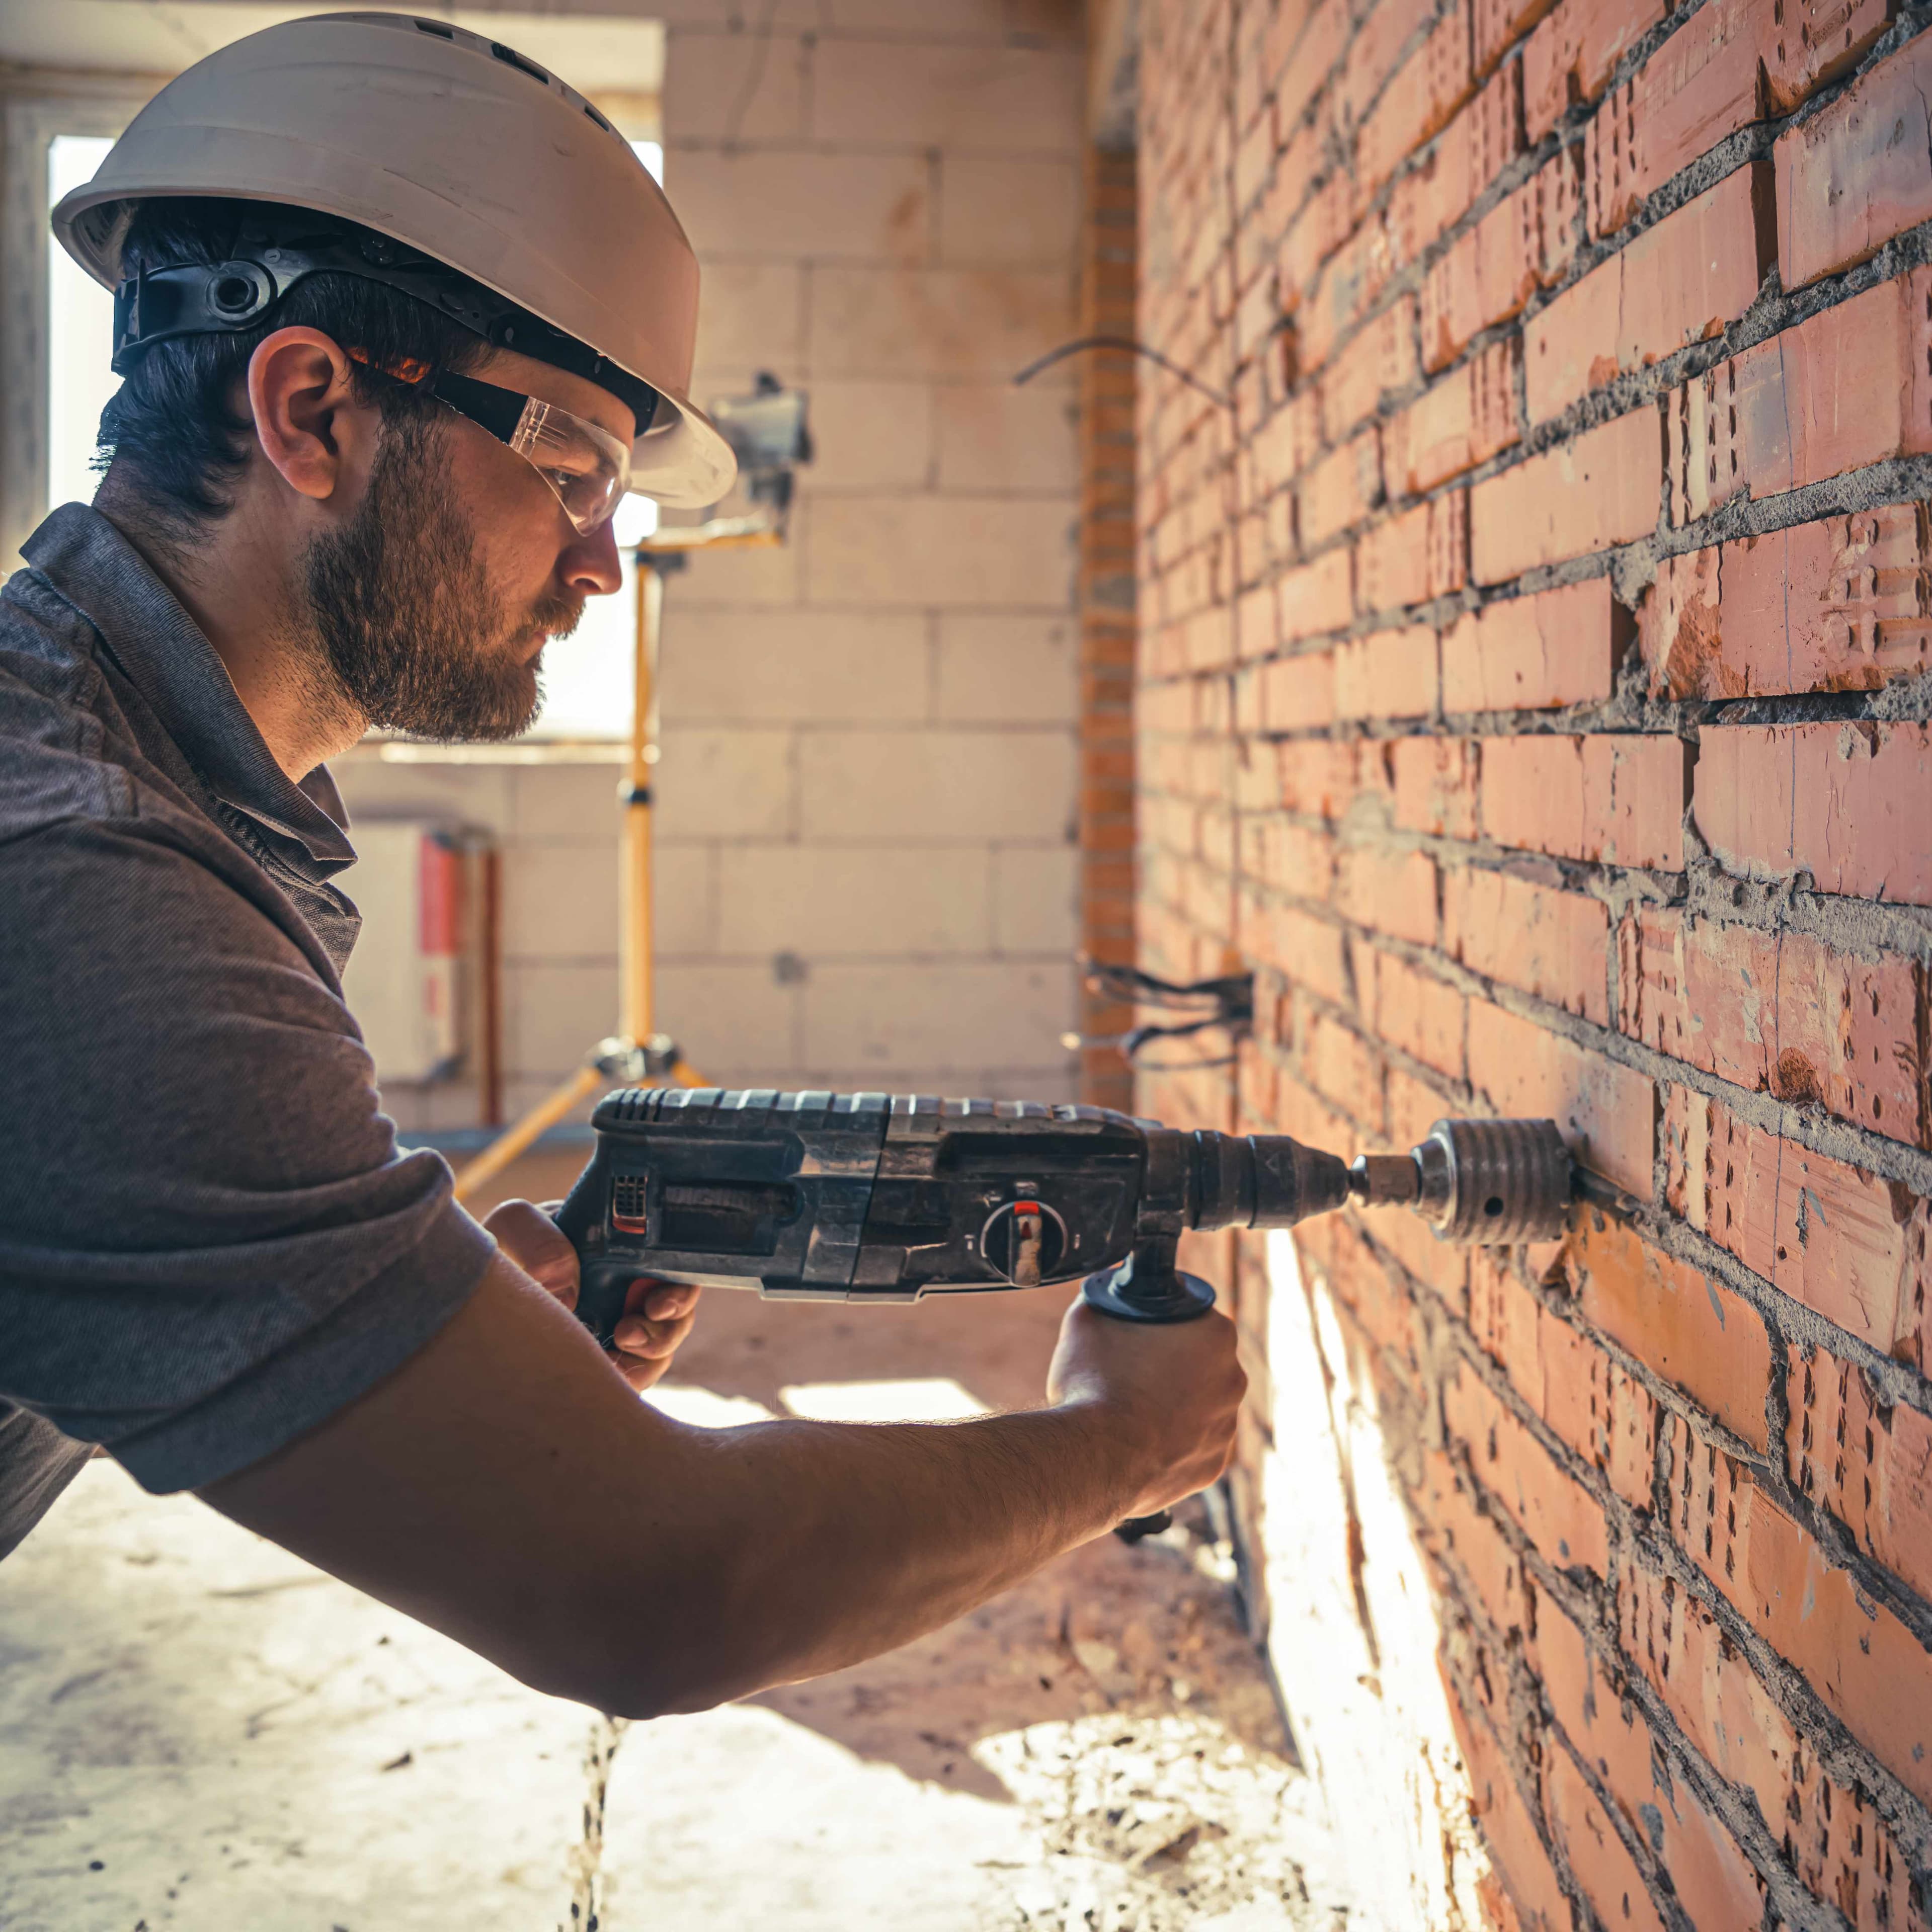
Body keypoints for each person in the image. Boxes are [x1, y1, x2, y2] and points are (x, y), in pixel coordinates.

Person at [0, 13, 1244, 1720]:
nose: (602, 561)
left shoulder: (180, 796)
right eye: (573, 464)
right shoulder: (84, 881)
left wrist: (415, 1325)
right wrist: (1121, 1441)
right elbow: (658, 1586)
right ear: (311, 408)